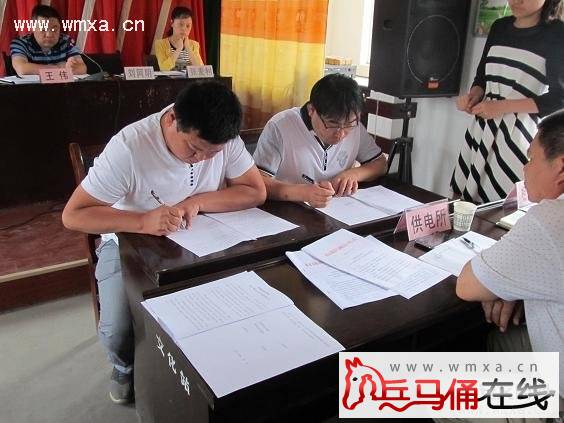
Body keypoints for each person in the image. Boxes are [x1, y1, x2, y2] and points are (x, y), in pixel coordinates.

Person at [62, 81, 266, 404]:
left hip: (200, 236)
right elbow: (73, 215)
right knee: (117, 329)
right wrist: (142, 221)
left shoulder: (222, 138)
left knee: (239, 300)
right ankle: (124, 366)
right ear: (172, 119)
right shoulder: (129, 148)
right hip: (129, 240)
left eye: (211, 153)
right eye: (194, 149)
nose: (200, 159)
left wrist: (197, 201)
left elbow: (255, 191)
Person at [455, 109, 564, 421]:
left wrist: (504, 286)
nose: (524, 167)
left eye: (531, 158)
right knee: (499, 341)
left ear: (560, 167)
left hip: (557, 393)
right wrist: (515, 286)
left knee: (424, 387)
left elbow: (467, 286)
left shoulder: (551, 219)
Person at [451, 0, 564, 204]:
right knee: (460, 202)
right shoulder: (500, 26)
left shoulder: (557, 33)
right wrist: (473, 96)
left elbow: (559, 97)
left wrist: (502, 107)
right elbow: (482, 78)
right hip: (482, 128)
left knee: (500, 207)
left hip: (516, 133)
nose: (516, 1)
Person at [253, 73, 387, 208]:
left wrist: (353, 174)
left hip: (337, 208)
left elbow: (380, 164)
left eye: (349, 124)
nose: (340, 133)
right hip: (285, 210)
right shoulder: (281, 126)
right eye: (332, 124)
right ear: (311, 110)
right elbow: (258, 182)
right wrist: (303, 193)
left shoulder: (355, 127)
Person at [10, 5, 86, 76]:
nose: (49, 34)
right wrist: (60, 67)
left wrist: (72, 67)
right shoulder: (20, 43)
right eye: (43, 29)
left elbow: (82, 69)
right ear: (33, 28)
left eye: (54, 30)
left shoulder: (66, 41)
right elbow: (22, 69)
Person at [154, 6, 204, 71]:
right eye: (181, 24)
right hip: (170, 78)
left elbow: (201, 69)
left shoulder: (194, 45)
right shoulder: (160, 44)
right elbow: (163, 68)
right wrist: (179, 49)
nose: (184, 29)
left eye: (188, 26)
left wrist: (188, 48)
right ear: (172, 23)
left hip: (189, 78)